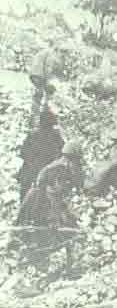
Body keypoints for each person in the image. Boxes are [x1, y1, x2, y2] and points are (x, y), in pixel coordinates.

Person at [13, 140, 85, 276]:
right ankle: (33, 272)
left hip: (43, 201)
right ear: (73, 157)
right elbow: (52, 194)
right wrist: (54, 219)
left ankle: (69, 267)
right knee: (44, 236)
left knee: (69, 231)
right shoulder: (61, 169)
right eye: (77, 160)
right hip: (40, 203)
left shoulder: (61, 165)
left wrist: (69, 213)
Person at [17, 107, 64, 202]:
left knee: (25, 195)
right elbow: (61, 154)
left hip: (30, 171)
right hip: (46, 172)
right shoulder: (56, 136)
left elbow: (23, 153)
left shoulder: (33, 135)